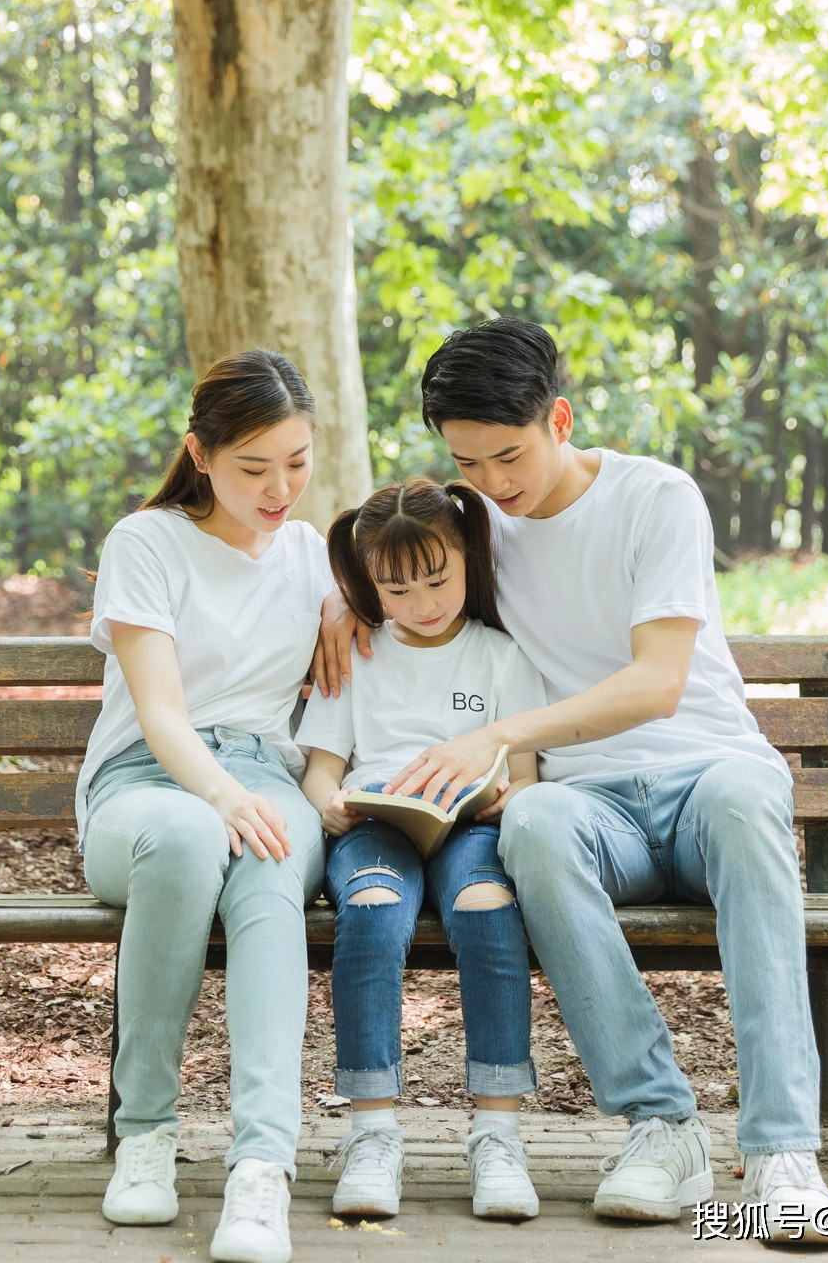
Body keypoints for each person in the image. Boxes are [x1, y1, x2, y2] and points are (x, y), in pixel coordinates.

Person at [324, 317, 828, 1245]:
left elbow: (658, 682)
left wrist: (501, 731)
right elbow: (402, 567)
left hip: (705, 774)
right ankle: (661, 1125)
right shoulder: (482, 523)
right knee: (533, 828)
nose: (492, 484)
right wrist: (341, 601)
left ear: (559, 419)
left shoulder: (657, 498)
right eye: (469, 462)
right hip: (588, 805)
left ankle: (780, 1152)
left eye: (509, 455)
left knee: (744, 800)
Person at [81, 349, 335, 1263]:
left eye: (298, 462)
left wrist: (345, 607)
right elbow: (160, 712)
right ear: (200, 453)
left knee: (269, 867)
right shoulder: (144, 543)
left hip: (266, 774)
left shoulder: (313, 553)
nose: (279, 489)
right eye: (253, 467)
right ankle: (145, 1132)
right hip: (147, 781)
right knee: (191, 837)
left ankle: (262, 1166)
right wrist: (220, 797)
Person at [294, 478, 548, 1222]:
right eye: (398, 589)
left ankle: (497, 1134)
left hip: (472, 826)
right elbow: (320, 771)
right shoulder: (360, 654)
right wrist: (330, 809)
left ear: (468, 559)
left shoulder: (501, 656)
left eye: (438, 581)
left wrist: (500, 799)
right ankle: (372, 1132)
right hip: (376, 825)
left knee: (489, 907)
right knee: (371, 911)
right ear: (370, 584)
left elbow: (527, 776)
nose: (423, 604)